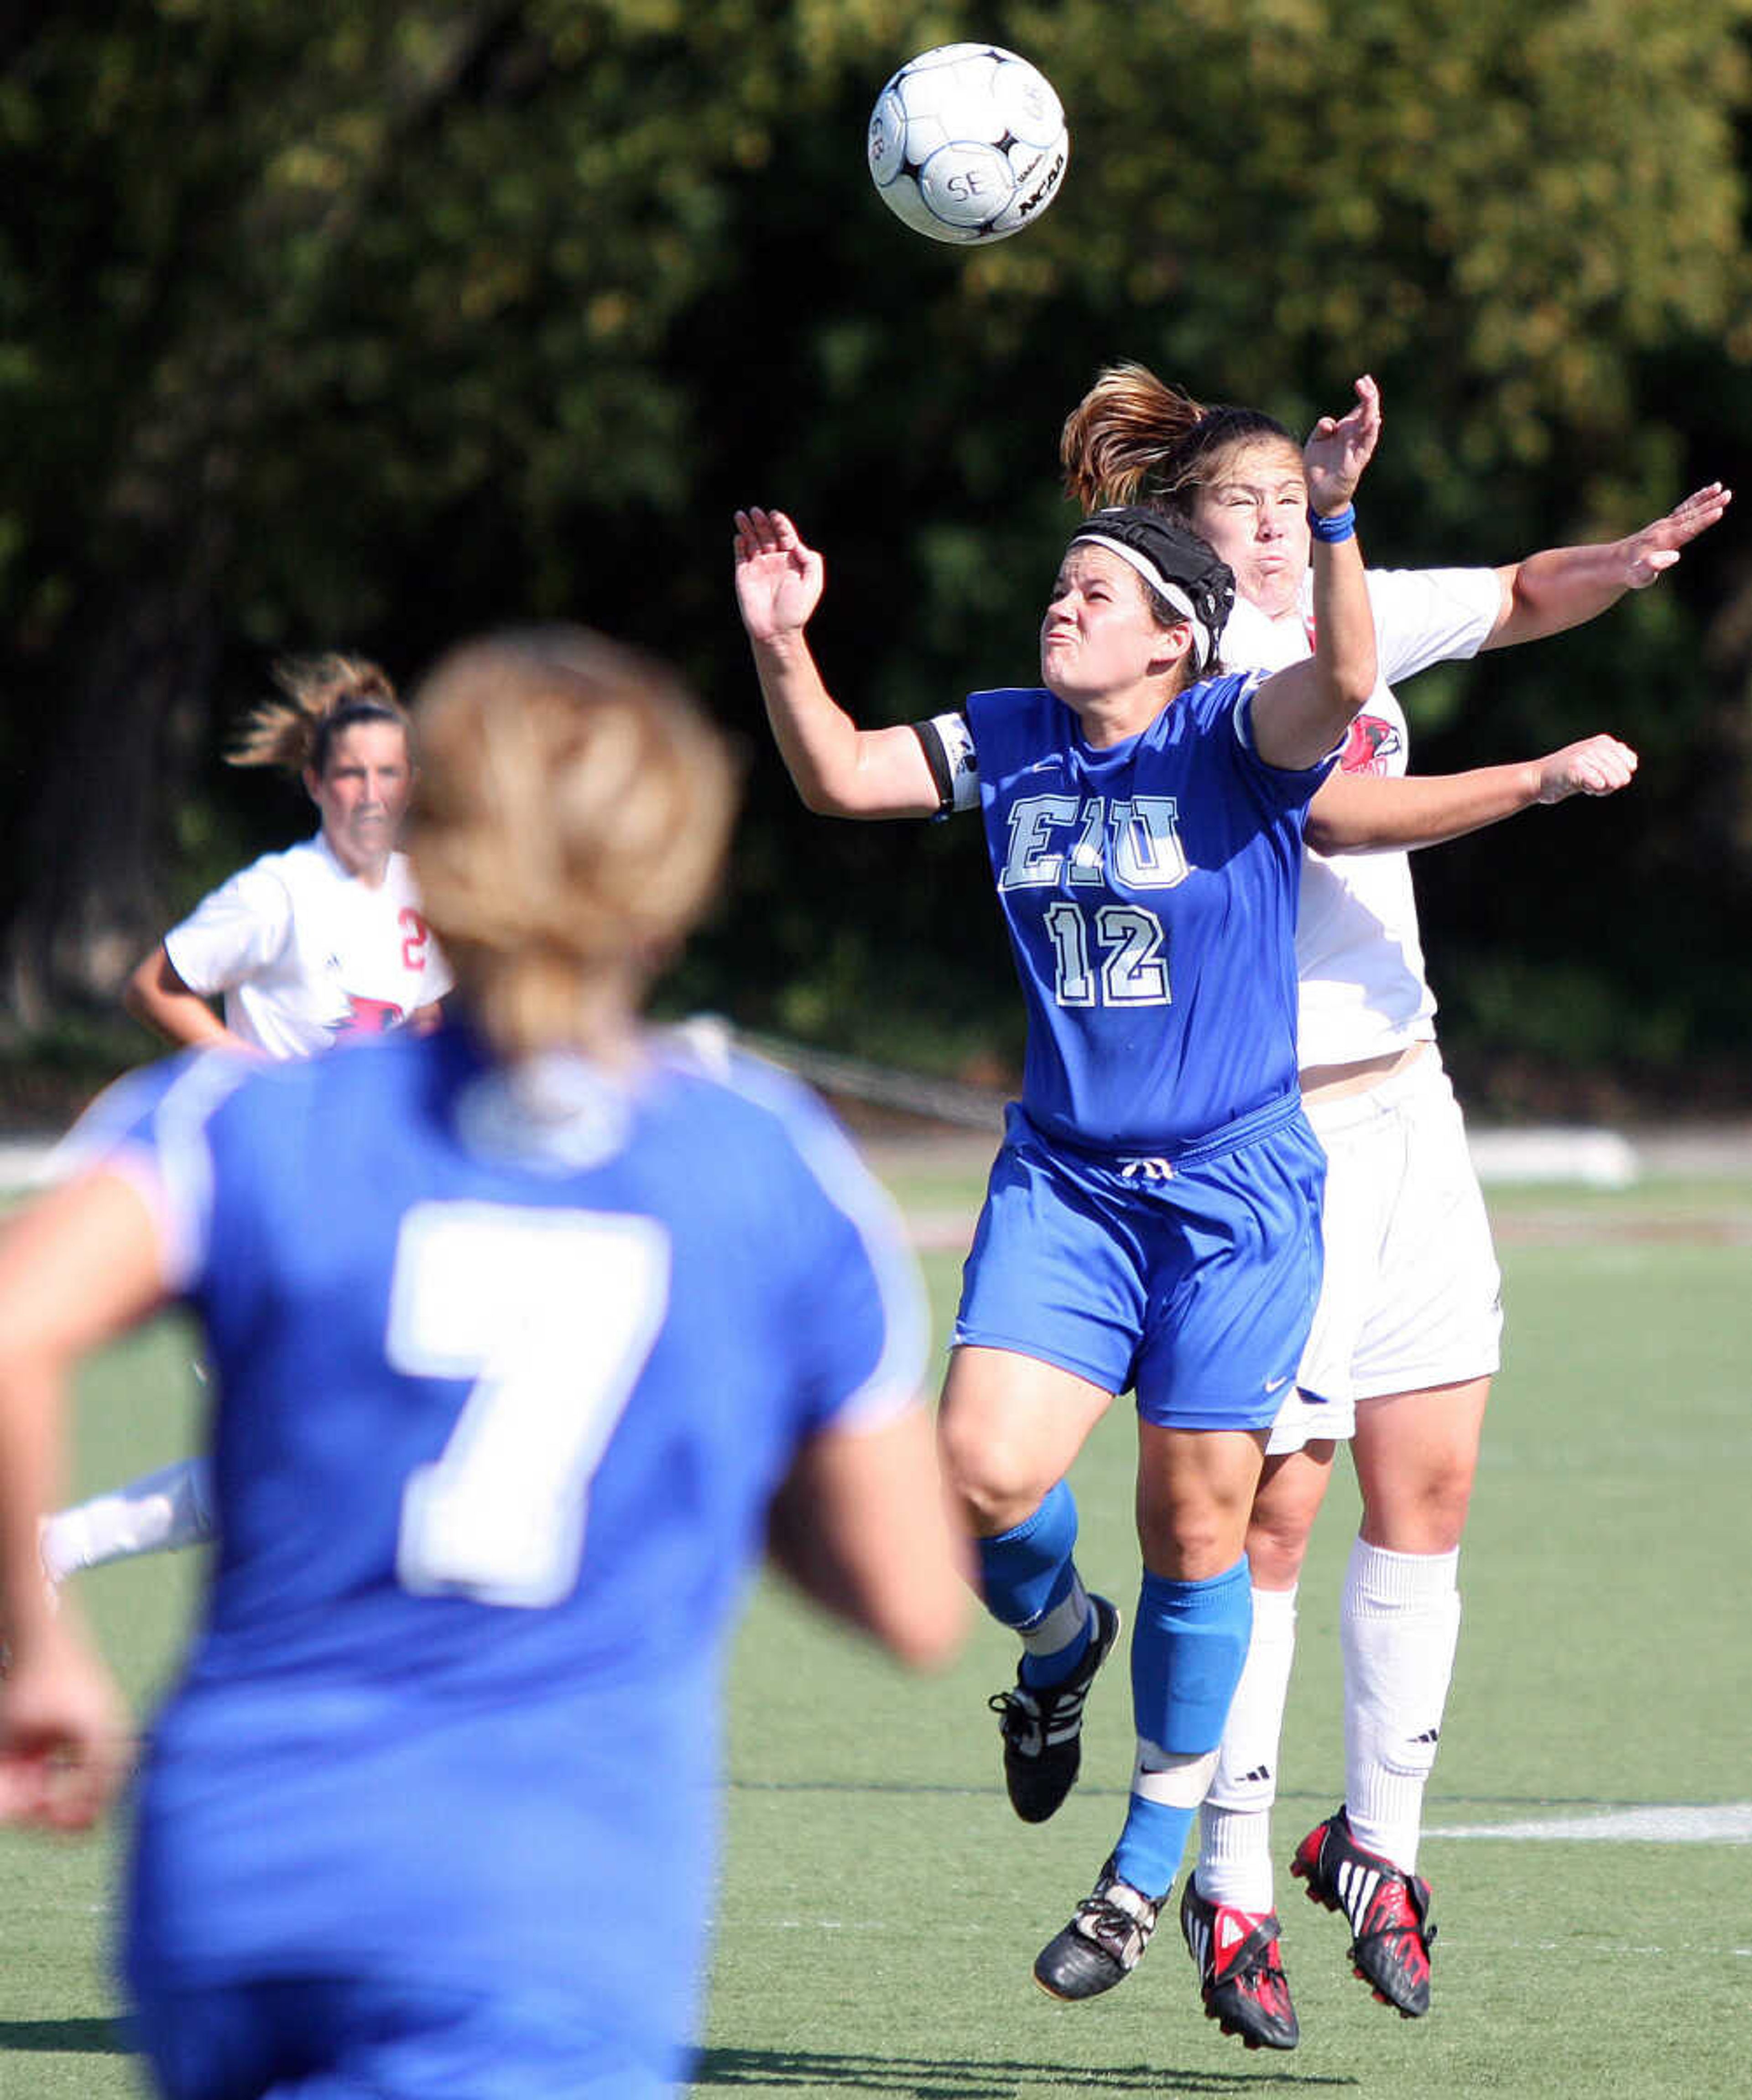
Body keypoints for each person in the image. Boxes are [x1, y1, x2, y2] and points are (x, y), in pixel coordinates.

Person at [0, 626, 969, 2100]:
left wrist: (40, 1645)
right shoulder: (763, 1162)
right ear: (675, 884)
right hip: (542, 1905)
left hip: (238, 1869)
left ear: (432, 865)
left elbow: (15, 1323)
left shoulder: (244, 1121)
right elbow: (911, 1602)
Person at [1058, 362, 1729, 2048]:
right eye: (1247, 510)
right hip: (1269, 1145)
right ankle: (1222, 1893)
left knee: (1429, 1484)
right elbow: (1344, 811)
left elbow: (1508, 595)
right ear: (1186, 545)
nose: (1279, 529)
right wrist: (1537, 778)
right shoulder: (1197, 674)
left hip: (1411, 1105)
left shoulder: (1334, 606)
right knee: (1270, 1523)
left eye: (1297, 502)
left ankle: (1378, 1852)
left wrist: (1626, 559)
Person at [733, 376, 1383, 2006]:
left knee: (1196, 1519)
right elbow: (839, 779)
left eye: (1092, 593)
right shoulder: (1013, 739)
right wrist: (779, 639)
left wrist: (1339, 516)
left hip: (1235, 1198)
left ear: (1171, 635)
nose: (1060, 605)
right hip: (1070, 1190)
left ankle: (1148, 1867)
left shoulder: (1232, 735)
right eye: (1059, 586)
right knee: (969, 1476)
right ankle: (1056, 1645)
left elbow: (1350, 675)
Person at [39, 656, 452, 1590]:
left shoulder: (428, 897)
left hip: (370, 1203)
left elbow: (429, 1027)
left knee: (323, 1459)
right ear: (315, 782)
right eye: (351, 773)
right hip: (269, 1199)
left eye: (390, 773)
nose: (371, 792)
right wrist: (264, 1080)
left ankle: (48, 1551)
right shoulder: (279, 892)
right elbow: (156, 983)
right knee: (321, 1455)